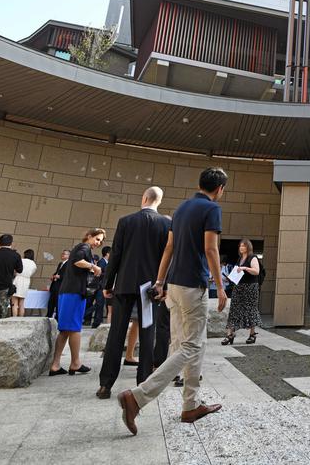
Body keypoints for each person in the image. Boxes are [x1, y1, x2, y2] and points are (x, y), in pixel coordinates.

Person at [118, 167, 229, 435]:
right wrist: (221, 288)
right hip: (193, 286)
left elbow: (169, 247)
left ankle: (191, 405)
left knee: (187, 344)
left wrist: (159, 280)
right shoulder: (211, 209)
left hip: (174, 286)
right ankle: (138, 396)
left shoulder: (180, 209)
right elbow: (210, 248)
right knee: (191, 346)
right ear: (220, 188)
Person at [97, 186, 171, 400]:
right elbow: (167, 258)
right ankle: (143, 384)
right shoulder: (166, 224)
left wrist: (107, 283)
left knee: (116, 334)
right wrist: (163, 285)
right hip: (149, 288)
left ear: (144, 197)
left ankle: (105, 385)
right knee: (148, 334)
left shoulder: (126, 221)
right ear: (159, 201)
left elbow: (116, 255)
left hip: (124, 285)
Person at [48, 229, 105, 376]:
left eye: (100, 240)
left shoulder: (81, 248)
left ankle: (56, 365)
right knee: (74, 328)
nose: (98, 243)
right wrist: (94, 266)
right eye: (97, 239)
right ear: (89, 236)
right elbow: (78, 261)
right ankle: (75, 363)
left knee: (66, 330)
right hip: (74, 292)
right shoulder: (84, 247)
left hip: (68, 291)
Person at [221, 239, 262, 345]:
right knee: (234, 310)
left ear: (248, 247)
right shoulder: (240, 258)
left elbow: (256, 271)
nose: (241, 247)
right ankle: (230, 334)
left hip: (250, 288)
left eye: (243, 246)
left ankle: (252, 334)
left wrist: (244, 268)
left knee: (250, 310)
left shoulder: (253, 257)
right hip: (239, 287)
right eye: (240, 246)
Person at [12, 249, 38, 317]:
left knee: (14, 302)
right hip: (26, 281)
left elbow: (15, 270)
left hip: (18, 279)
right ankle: (21, 318)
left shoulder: (21, 260)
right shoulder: (34, 264)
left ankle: (14, 318)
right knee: (21, 303)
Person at [46, 249, 70, 319]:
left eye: (64, 254)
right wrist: (53, 275)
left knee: (58, 303)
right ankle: (48, 316)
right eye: (62, 253)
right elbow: (57, 272)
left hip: (60, 286)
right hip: (55, 285)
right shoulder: (61, 263)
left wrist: (59, 276)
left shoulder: (69, 264)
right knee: (51, 302)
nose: (62, 255)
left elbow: (67, 275)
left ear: (69, 256)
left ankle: (57, 318)